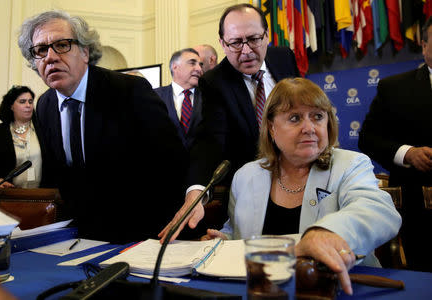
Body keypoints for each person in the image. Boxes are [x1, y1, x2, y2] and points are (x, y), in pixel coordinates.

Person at [203, 77, 401, 295]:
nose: (309, 128)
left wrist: (325, 233)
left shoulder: (351, 164)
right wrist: (224, 241)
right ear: (271, 127)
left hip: (339, 289)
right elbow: (237, 231)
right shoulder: (246, 174)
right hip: (267, 291)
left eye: (317, 117)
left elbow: (377, 209)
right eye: (295, 118)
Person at [17, 10, 188, 244]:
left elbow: (172, 164)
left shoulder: (130, 91)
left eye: (62, 45)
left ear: (85, 52)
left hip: (143, 235)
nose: (50, 57)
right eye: (40, 50)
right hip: (81, 239)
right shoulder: (45, 105)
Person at [159, 3, 299, 241]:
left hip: (301, 177)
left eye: (254, 39)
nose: (246, 51)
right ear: (222, 43)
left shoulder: (284, 58)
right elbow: (209, 142)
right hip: (255, 191)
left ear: (267, 36)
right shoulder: (215, 82)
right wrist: (196, 193)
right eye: (235, 43)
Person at [358, 17, 432, 272]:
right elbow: (367, 138)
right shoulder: (394, 88)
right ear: (424, 45)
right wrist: (407, 153)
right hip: (420, 214)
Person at [0, 86, 46, 200]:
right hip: (7, 197)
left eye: (30, 101)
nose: (28, 105)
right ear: (11, 106)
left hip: (40, 197)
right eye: (22, 102)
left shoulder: (44, 131)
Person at [154, 48, 203, 150]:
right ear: (175, 67)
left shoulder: (211, 97)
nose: (199, 69)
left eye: (200, 64)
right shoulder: (155, 96)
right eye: (192, 63)